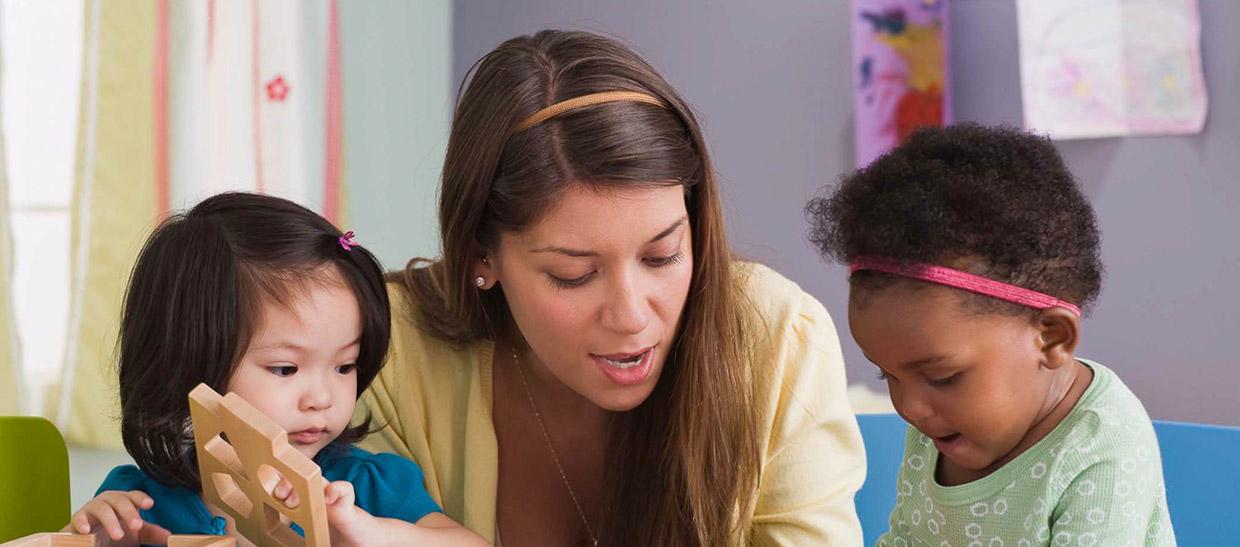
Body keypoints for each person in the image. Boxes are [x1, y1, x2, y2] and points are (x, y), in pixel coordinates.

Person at [358, 29, 866, 546]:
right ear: (479, 256)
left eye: (662, 256)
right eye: (573, 275)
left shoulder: (777, 338)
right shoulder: (377, 349)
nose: (630, 316)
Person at [806, 124, 1175, 546]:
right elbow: (907, 537)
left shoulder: (1101, 441)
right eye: (887, 376)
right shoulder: (940, 424)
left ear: (1051, 337)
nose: (910, 406)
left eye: (943, 377)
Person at [67, 192, 487, 547]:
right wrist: (93, 537)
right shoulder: (137, 499)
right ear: (187, 363)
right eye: (286, 369)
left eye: (344, 366)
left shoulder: (368, 486)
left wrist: (374, 533)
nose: (322, 398)